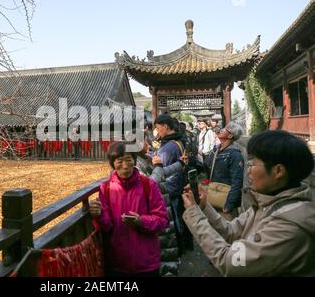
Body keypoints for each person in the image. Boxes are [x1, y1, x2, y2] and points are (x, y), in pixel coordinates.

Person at [182, 130, 315, 276]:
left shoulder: (289, 226)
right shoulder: (268, 202)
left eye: (253, 163)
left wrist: (194, 215)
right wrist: (204, 207)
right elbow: (230, 231)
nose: (248, 171)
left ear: (278, 171)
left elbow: (230, 262)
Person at [89, 141, 169, 276]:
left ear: (134, 160)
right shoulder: (106, 188)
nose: (125, 166)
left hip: (146, 263)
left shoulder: (148, 185)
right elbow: (107, 226)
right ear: (112, 163)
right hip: (117, 263)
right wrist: (99, 214)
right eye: (119, 161)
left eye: (128, 160)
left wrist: (141, 221)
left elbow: (163, 220)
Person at [152, 114, 193, 254]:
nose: (157, 132)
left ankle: (178, 250)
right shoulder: (179, 141)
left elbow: (161, 171)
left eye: (158, 128)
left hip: (170, 188)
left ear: (166, 126)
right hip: (179, 185)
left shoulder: (168, 147)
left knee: (173, 221)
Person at [204, 122, 244, 220]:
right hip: (213, 196)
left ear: (230, 135)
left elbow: (237, 181)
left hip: (225, 201)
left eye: (225, 129)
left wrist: (230, 204)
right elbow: (206, 166)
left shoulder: (235, 155)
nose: (221, 130)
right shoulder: (216, 150)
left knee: (227, 231)